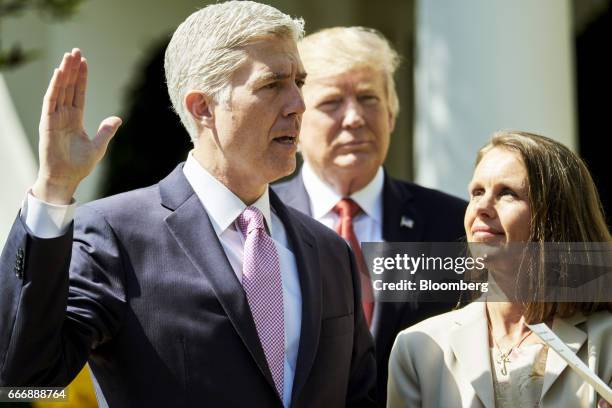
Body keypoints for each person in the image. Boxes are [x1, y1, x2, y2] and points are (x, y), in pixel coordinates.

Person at [0, 2, 377, 407]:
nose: (298, 104)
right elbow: (24, 376)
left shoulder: (329, 251)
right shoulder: (115, 237)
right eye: (272, 84)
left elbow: (361, 396)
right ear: (203, 107)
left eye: (299, 82)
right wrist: (53, 189)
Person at [272, 26, 467, 404]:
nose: (355, 118)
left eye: (368, 98)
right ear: (296, 120)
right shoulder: (260, 224)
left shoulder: (452, 222)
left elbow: (549, 299)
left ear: (392, 114)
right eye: (331, 103)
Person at [387, 131, 612, 408]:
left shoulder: (607, 343)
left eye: (507, 193)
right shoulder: (418, 348)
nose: (481, 207)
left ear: (556, 217)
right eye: (477, 192)